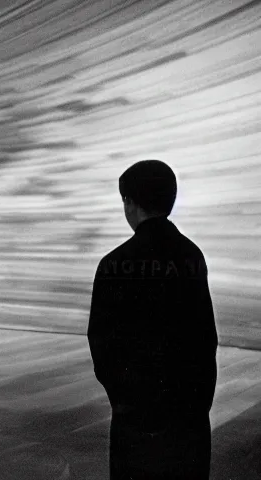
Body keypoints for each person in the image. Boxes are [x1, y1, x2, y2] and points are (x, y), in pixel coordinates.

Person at [87, 160, 218, 479]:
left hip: (135, 418)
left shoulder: (113, 263)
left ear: (130, 204)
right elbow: (205, 338)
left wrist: (125, 399)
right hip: (188, 416)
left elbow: (101, 342)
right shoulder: (191, 256)